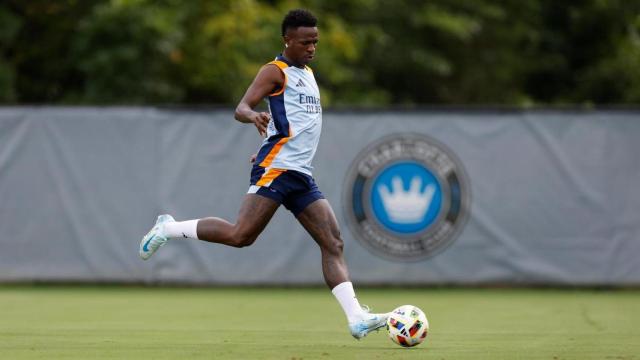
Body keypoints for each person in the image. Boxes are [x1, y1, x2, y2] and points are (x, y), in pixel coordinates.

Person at [139, 9, 388, 340]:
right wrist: (253, 117)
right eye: (305, 42)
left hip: (299, 173)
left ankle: (356, 317)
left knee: (333, 241)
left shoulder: (309, 73)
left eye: (315, 41)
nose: (312, 47)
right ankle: (168, 227)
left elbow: (295, 124)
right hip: (277, 169)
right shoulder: (275, 71)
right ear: (287, 40)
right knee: (241, 235)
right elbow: (241, 108)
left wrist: (273, 141)